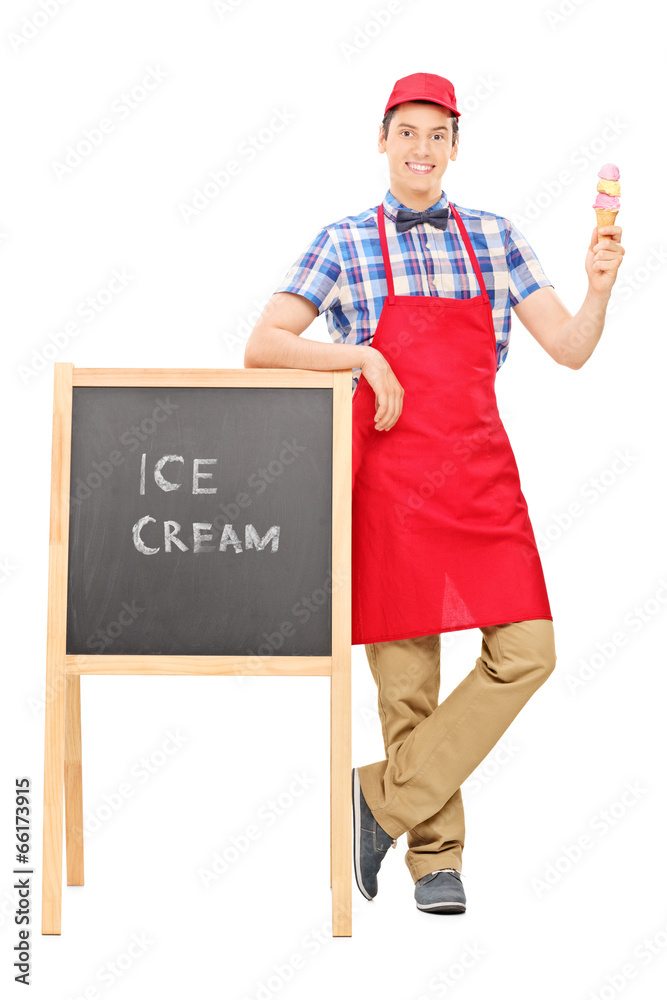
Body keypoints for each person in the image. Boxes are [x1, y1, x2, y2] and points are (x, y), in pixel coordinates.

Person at [244, 72, 625, 915]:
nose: (422, 149)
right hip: (390, 480)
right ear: (381, 140)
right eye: (407, 133)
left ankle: (378, 797)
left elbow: (567, 348)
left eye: (437, 134)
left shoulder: (493, 236)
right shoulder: (343, 241)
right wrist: (361, 357)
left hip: (480, 474)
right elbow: (263, 343)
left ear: (456, 145)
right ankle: (435, 859)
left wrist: (597, 288)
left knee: (528, 652)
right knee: (406, 684)